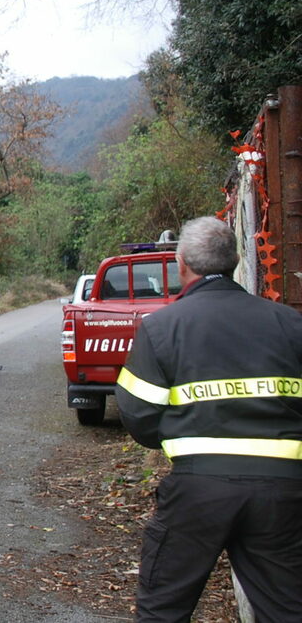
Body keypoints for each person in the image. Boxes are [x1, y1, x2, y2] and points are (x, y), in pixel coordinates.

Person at [115, 216, 302, 622]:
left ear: (181, 263)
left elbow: (138, 415)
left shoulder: (162, 328)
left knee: (163, 608)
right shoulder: (290, 323)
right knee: (287, 609)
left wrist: (184, 440)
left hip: (198, 490)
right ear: (235, 260)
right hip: (282, 490)